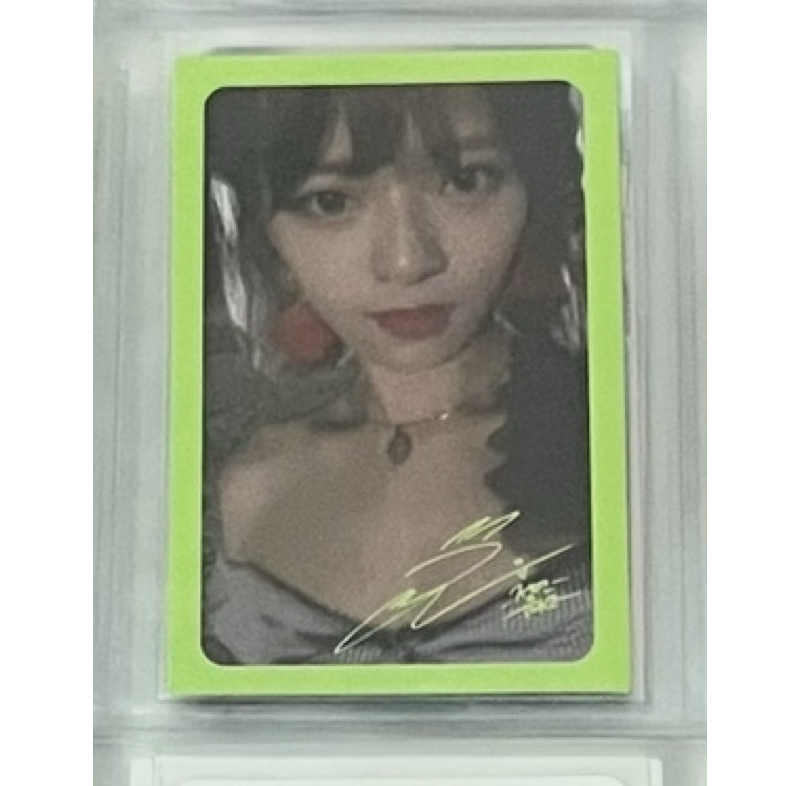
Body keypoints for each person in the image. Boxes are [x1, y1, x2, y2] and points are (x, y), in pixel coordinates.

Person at [201, 83, 592, 664]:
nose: (408, 261)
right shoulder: (250, 484)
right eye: (330, 201)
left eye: (465, 180)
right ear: (267, 231)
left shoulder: (627, 446)